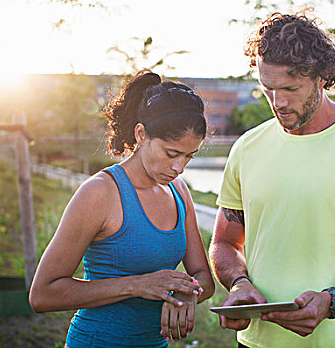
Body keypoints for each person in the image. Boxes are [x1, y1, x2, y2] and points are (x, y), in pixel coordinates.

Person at [209, 11, 335, 348]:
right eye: (268, 89)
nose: (278, 102)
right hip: (255, 343)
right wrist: (239, 283)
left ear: (322, 77)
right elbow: (225, 242)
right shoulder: (247, 147)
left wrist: (334, 301)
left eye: (290, 88)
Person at [29, 71, 215, 347]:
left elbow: (204, 279)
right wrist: (138, 285)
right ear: (141, 134)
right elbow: (43, 294)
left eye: (189, 156)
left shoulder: (179, 191)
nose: (179, 168)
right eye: (171, 153)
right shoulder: (100, 193)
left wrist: (189, 293)